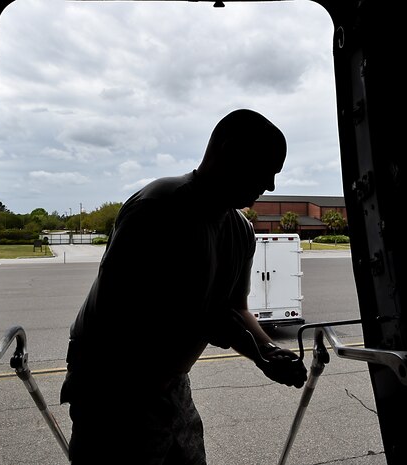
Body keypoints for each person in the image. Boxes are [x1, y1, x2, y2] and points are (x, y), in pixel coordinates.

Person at [60, 108, 308, 465]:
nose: (270, 185)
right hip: (112, 390)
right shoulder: (159, 208)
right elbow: (129, 311)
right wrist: (253, 348)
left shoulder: (240, 231)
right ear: (229, 150)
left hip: (172, 387)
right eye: (266, 168)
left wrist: (269, 351)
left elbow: (235, 308)